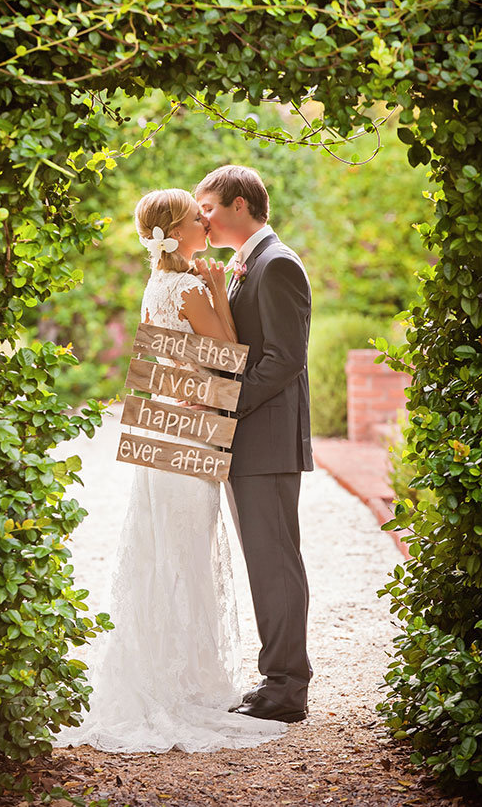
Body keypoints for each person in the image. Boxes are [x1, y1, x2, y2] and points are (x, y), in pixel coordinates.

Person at [54, 188, 288, 753]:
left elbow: (167, 361)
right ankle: (179, 688)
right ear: (176, 231)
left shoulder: (154, 286)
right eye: (195, 217)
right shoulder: (187, 286)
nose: (205, 223)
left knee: (161, 555)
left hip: (163, 434)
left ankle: (161, 678)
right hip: (189, 438)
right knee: (185, 559)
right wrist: (215, 291)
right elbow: (228, 356)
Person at [194, 165, 314, 724]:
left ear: (240, 205)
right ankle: (276, 679)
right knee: (263, 562)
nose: (202, 218)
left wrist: (225, 401)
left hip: (265, 440)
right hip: (247, 440)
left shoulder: (278, 263)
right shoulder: (247, 265)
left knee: (274, 564)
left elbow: (285, 360)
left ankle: (287, 689)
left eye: (210, 207)